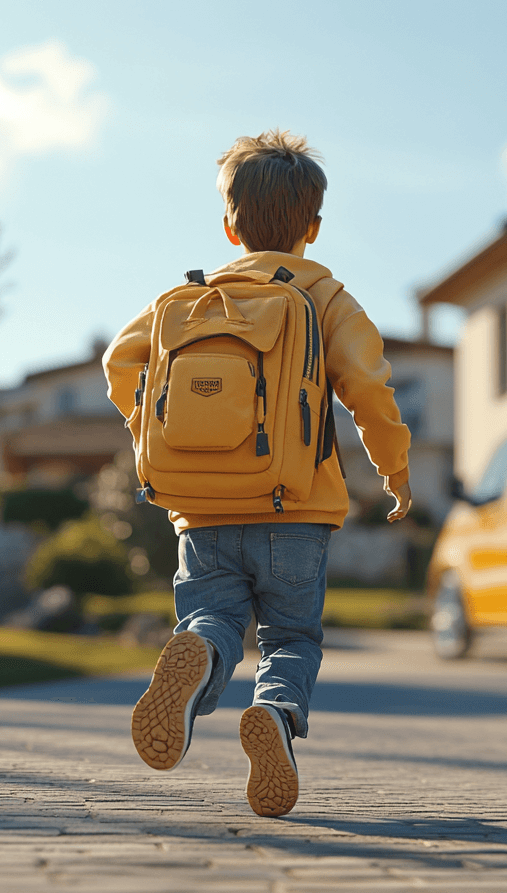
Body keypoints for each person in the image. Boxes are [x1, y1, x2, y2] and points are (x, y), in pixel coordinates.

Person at [102, 129, 412, 817]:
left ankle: (201, 658)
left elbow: (119, 364)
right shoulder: (326, 295)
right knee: (289, 638)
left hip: (201, 509)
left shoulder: (185, 300)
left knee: (212, 617)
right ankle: (274, 713)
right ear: (313, 226)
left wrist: (152, 431)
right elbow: (369, 387)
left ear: (229, 225)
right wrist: (395, 470)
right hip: (296, 508)